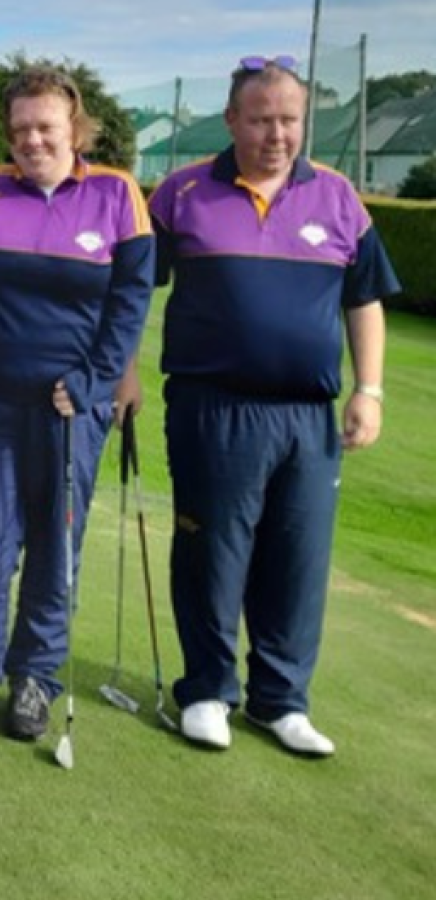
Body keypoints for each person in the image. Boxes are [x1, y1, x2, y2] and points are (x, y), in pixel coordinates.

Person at [131, 55, 397, 756]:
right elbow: (132, 292)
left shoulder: (339, 198)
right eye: (261, 119)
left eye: (289, 120)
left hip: (307, 418)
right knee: (213, 553)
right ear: (231, 120)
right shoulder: (183, 193)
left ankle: (281, 700)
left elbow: (363, 301)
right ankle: (209, 691)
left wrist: (368, 390)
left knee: (297, 557)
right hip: (211, 406)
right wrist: (123, 372)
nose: (277, 134)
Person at [0, 67, 153, 743]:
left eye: (46, 126)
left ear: (74, 127)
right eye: (21, 128)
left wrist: (92, 382)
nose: (33, 139)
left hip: (68, 412)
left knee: (57, 543)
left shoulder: (117, 195)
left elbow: (130, 302)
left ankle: (35, 679)